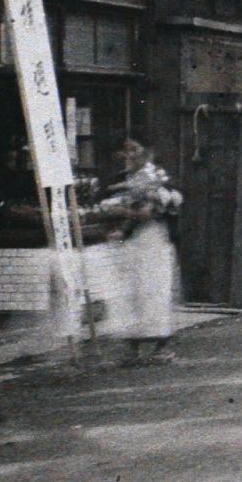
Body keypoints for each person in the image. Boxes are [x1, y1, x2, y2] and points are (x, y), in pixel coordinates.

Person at [96, 138, 184, 366]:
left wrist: (143, 207)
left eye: (135, 149)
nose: (129, 156)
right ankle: (131, 348)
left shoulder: (157, 177)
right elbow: (109, 204)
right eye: (124, 151)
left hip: (154, 239)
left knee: (155, 289)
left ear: (147, 151)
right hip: (131, 243)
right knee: (130, 290)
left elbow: (163, 205)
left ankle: (161, 346)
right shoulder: (121, 179)